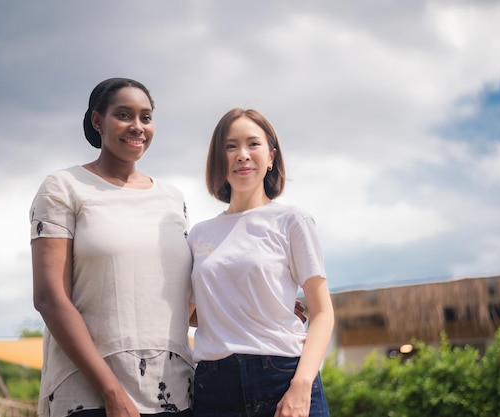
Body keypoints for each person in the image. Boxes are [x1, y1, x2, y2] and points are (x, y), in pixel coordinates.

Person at [30, 78, 194, 417]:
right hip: (90, 396)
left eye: (146, 117)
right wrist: (112, 392)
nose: (137, 126)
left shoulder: (172, 199)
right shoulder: (64, 187)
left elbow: (181, 303)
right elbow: (49, 298)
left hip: (176, 395)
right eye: (124, 115)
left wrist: (265, 306)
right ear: (97, 121)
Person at [187, 108, 335, 417]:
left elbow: (322, 313)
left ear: (271, 157)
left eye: (253, 144)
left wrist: (301, 384)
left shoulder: (293, 221)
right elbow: (191, 313)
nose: (242, 155)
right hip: (213, 387)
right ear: (218, 159)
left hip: (282, 375)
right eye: (230, 146)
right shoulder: (199, 235)